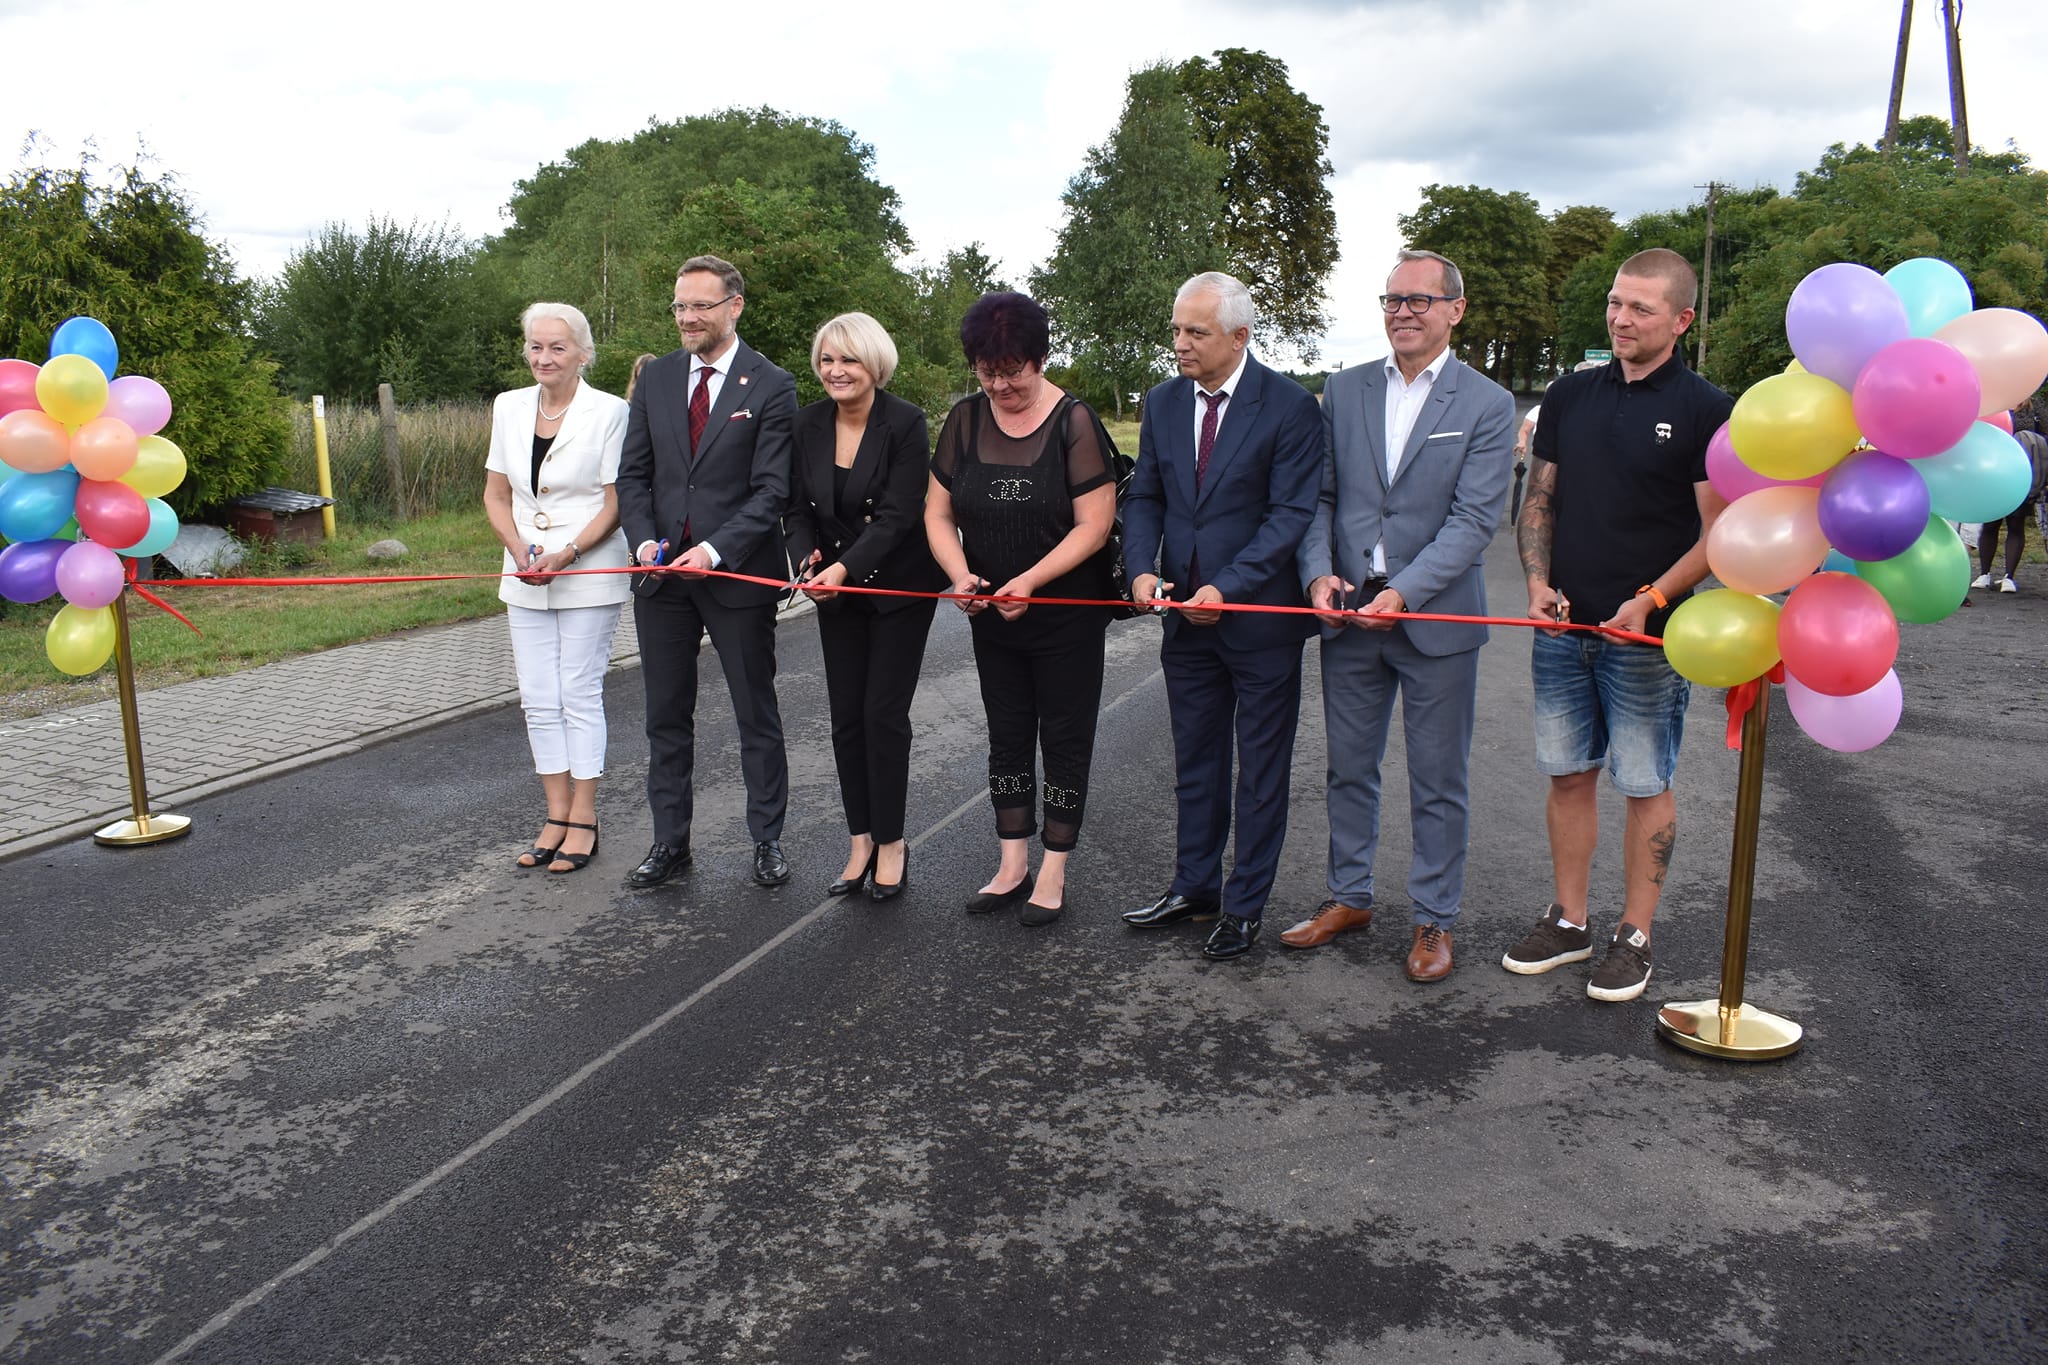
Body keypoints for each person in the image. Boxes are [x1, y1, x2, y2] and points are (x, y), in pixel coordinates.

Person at [1506, 247, 1733, 1002]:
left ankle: (1634, 934)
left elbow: (1716, 536)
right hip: (1565, 630)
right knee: (1568, 774)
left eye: (1640, 307)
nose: (1621, 317)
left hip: (1646, 636)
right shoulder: (1570, 395)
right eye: (1615, 302)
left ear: (1681, 319)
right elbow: (1540, 498)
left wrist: (1651, 598)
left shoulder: (1706, 408)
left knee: (1644, 781)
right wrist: (1537, 582)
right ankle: (1570, 921)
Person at [1291, 249, 1517, 983]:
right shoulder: (1345, 388)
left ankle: (1433, 919)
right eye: (1392, 299)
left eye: (1420, 300)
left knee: (1437, 778)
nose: (1403, 311)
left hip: (1435, 621)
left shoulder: (1486, 403)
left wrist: (1406, 591)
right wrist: (1318, 571)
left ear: (1455, 309)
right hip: (1350, 615)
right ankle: (1349, 896)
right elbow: (1321, 497)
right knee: (1348, 769)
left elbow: (1475, 518)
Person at [1119, 272, 1322, 961]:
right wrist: (1141, 567)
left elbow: (1290, 515)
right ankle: (1194, 885)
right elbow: (1143, 495)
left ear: (1239, 336)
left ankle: (1243, 907)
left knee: (1260, 769)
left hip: (1260, 620)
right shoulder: (1163, 402)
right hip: (1183, 619)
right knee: (1196, 762)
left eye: (1195, 332)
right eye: (1176, 329)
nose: (1180, 343)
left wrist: (1229, 587)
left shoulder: (1291, 407)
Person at [925, 292, 1116, 927]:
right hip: (992, 617)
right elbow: (937, 510)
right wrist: (959, 574)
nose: (1001, 384)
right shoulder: (964, 422)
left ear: (1040, 358)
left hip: (1065, 614)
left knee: (1063, 737)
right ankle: (1011, 864)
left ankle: (1054, 866)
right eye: (987, 371)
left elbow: (1094, 523)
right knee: (1007, 735)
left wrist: (1030, 580)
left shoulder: (1075, 422)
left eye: (1014, 370)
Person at [616, 255, 799, 890]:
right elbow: (633, 476)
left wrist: (716, 550)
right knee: (665, 714)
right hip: (661, 579)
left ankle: (767, 840)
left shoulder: (772, 384)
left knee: (756, 710)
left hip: (737, 575)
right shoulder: (658, 379)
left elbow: (772, 490)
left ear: (734, 306)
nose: (687, 318)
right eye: (679, 306)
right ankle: (670, 843)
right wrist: (643, 542)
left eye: (700, 306)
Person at [785, 313, 943, 901]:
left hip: (898, 587)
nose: (835, 370)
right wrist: (805, 560)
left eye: (848, 359)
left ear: (873, 363)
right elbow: (795, 508)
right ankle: (860, 840)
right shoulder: (807, 424)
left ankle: (894, 844)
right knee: (846, 718)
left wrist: (845, 568)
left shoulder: (905, 422)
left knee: (882, 715)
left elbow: (902, 514)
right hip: (834, 590)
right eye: (827, 360)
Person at [483, 302, 632, 874]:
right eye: (536, 347)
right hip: (524, 570)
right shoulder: (509, 406)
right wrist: (519, 549)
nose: (544, 358)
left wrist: (568, 553)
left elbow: (617, 503)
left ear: (583, 353)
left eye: (557, 348)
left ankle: (586, 819)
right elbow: (497, 494)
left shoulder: (610, 411)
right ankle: (555, 812)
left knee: (577, 691)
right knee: (538, 698)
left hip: (588, 568)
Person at [1972, 415, 2046, 595]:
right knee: (2001, 525)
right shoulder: (2030, 411)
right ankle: (1996, 575)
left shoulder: (2027, 410)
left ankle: (1998, 575)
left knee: (2005, 525)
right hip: (2008, 476)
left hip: (2009, 476)